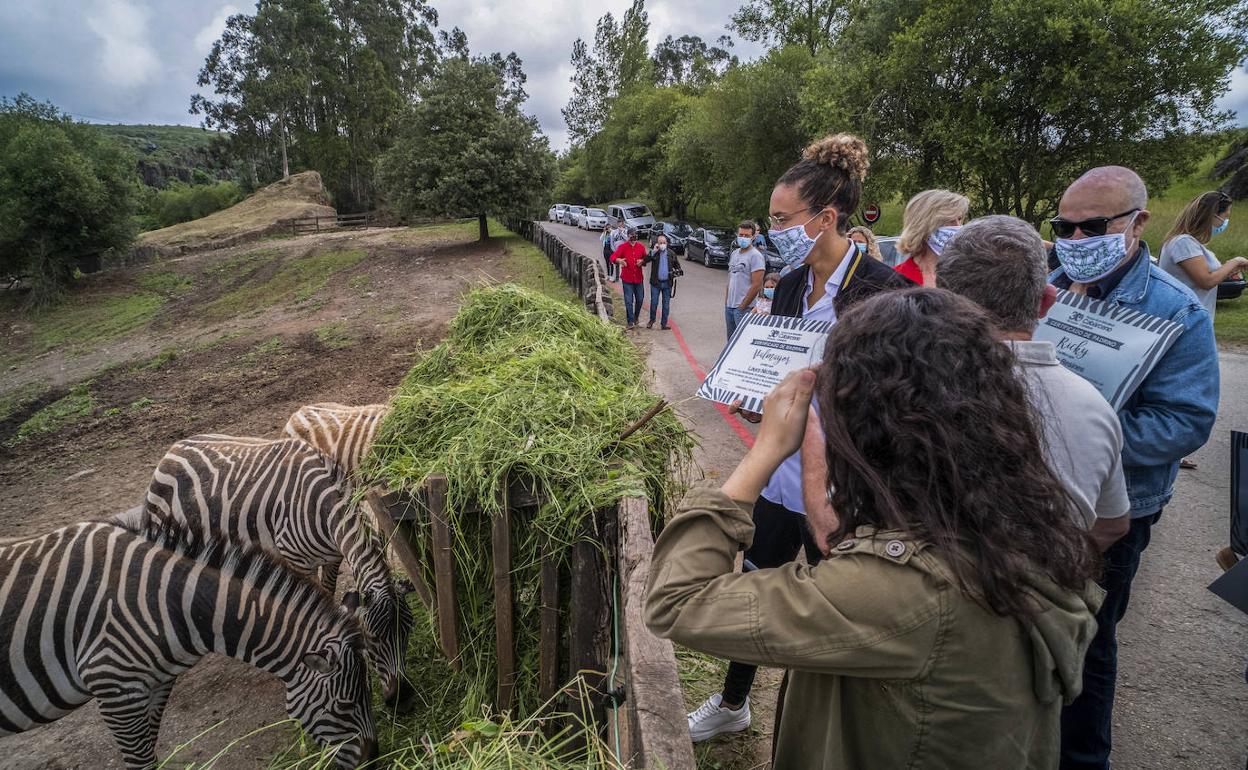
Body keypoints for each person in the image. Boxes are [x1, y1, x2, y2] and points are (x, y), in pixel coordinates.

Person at [646, 288, 1103, 770]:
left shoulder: (906, 594)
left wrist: (766, 451)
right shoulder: (1001, 523)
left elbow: (676, 600)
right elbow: (835, 539)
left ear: (868, 429)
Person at [685, 134, 911, 742]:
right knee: (758, 584)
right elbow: (773, 375)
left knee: (837, 608)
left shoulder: (885, 293)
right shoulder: (787, 285)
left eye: (782, 220)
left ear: (826, 219)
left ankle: (832, 730)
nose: (771, 230)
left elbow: (897, 408)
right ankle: (734, 703)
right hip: (781, 477)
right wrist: (754, 401)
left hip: (844, 487)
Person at [1048, 166, 1219, 770]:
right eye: (1063, 227)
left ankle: (1083, 760)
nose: (1074, 241)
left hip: (1112, 508)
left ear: (1138, 222)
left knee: (1089, 643)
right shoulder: (1051, 283)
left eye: (1092, 227)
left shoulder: (1176, 311)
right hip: (1032, 495)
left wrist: (1080, 436)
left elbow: (1186, 422)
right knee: (1030, 627)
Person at [936, 215, 1130, 550]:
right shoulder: (1095, 408)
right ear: (1046, 301)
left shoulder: (901, 384)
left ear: (939, 298)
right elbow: (1113, 525)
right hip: (1046, 591)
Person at [1159, 190, 1246, 318]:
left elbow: (1201, 278)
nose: (1225, 222)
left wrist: (1228, 270)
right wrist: (1236, 261)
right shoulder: (1183, 243)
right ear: (1212, 215)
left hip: (1196, 320)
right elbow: (1206, 281)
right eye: (1225, 217)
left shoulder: (1192, 244)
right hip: (1185, 320)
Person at [894, 189, 969, 285]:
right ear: (923, 225)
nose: (957, 226)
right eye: (949, 220)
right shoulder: (893, 279)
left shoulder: (966, 277)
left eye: (959, 219)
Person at [724, 220, 766, 339]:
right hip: (729, 307)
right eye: (741, 235)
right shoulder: (735, 254)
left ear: (753, 237)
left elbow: (757, 284)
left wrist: (742, 306)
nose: (743, 238)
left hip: (744, 309)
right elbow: (730, 279)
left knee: (742, 341)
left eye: (746, 236)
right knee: (731, 342)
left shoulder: (756, 256)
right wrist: (726, 302)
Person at [611, 228, 647, 330]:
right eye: (631, 235)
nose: (633, 237)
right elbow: (613, 257)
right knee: (628, 300)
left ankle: (636, 317)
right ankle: (630, 321)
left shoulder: (641, 247)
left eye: (635, 235)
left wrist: (642, 261)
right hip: (627, 279)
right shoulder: (623, 247)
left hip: (638, 278)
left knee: (640, 299)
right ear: (628, 236)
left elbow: (646, 259)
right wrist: (619, 260)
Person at [646, 234, 681, 330]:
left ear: (667, 243)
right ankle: (652, 320)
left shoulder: (671, 253)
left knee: (666, 305)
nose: (662, 244)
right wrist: (653, 251)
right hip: (655, 283)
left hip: (667, 283)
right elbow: (646, 260)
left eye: (664, 242)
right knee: (654, 303)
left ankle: (664, 323)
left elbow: (677, 266)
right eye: (660, 243)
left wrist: (676, 271)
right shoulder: (655, 253)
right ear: (657, 243)